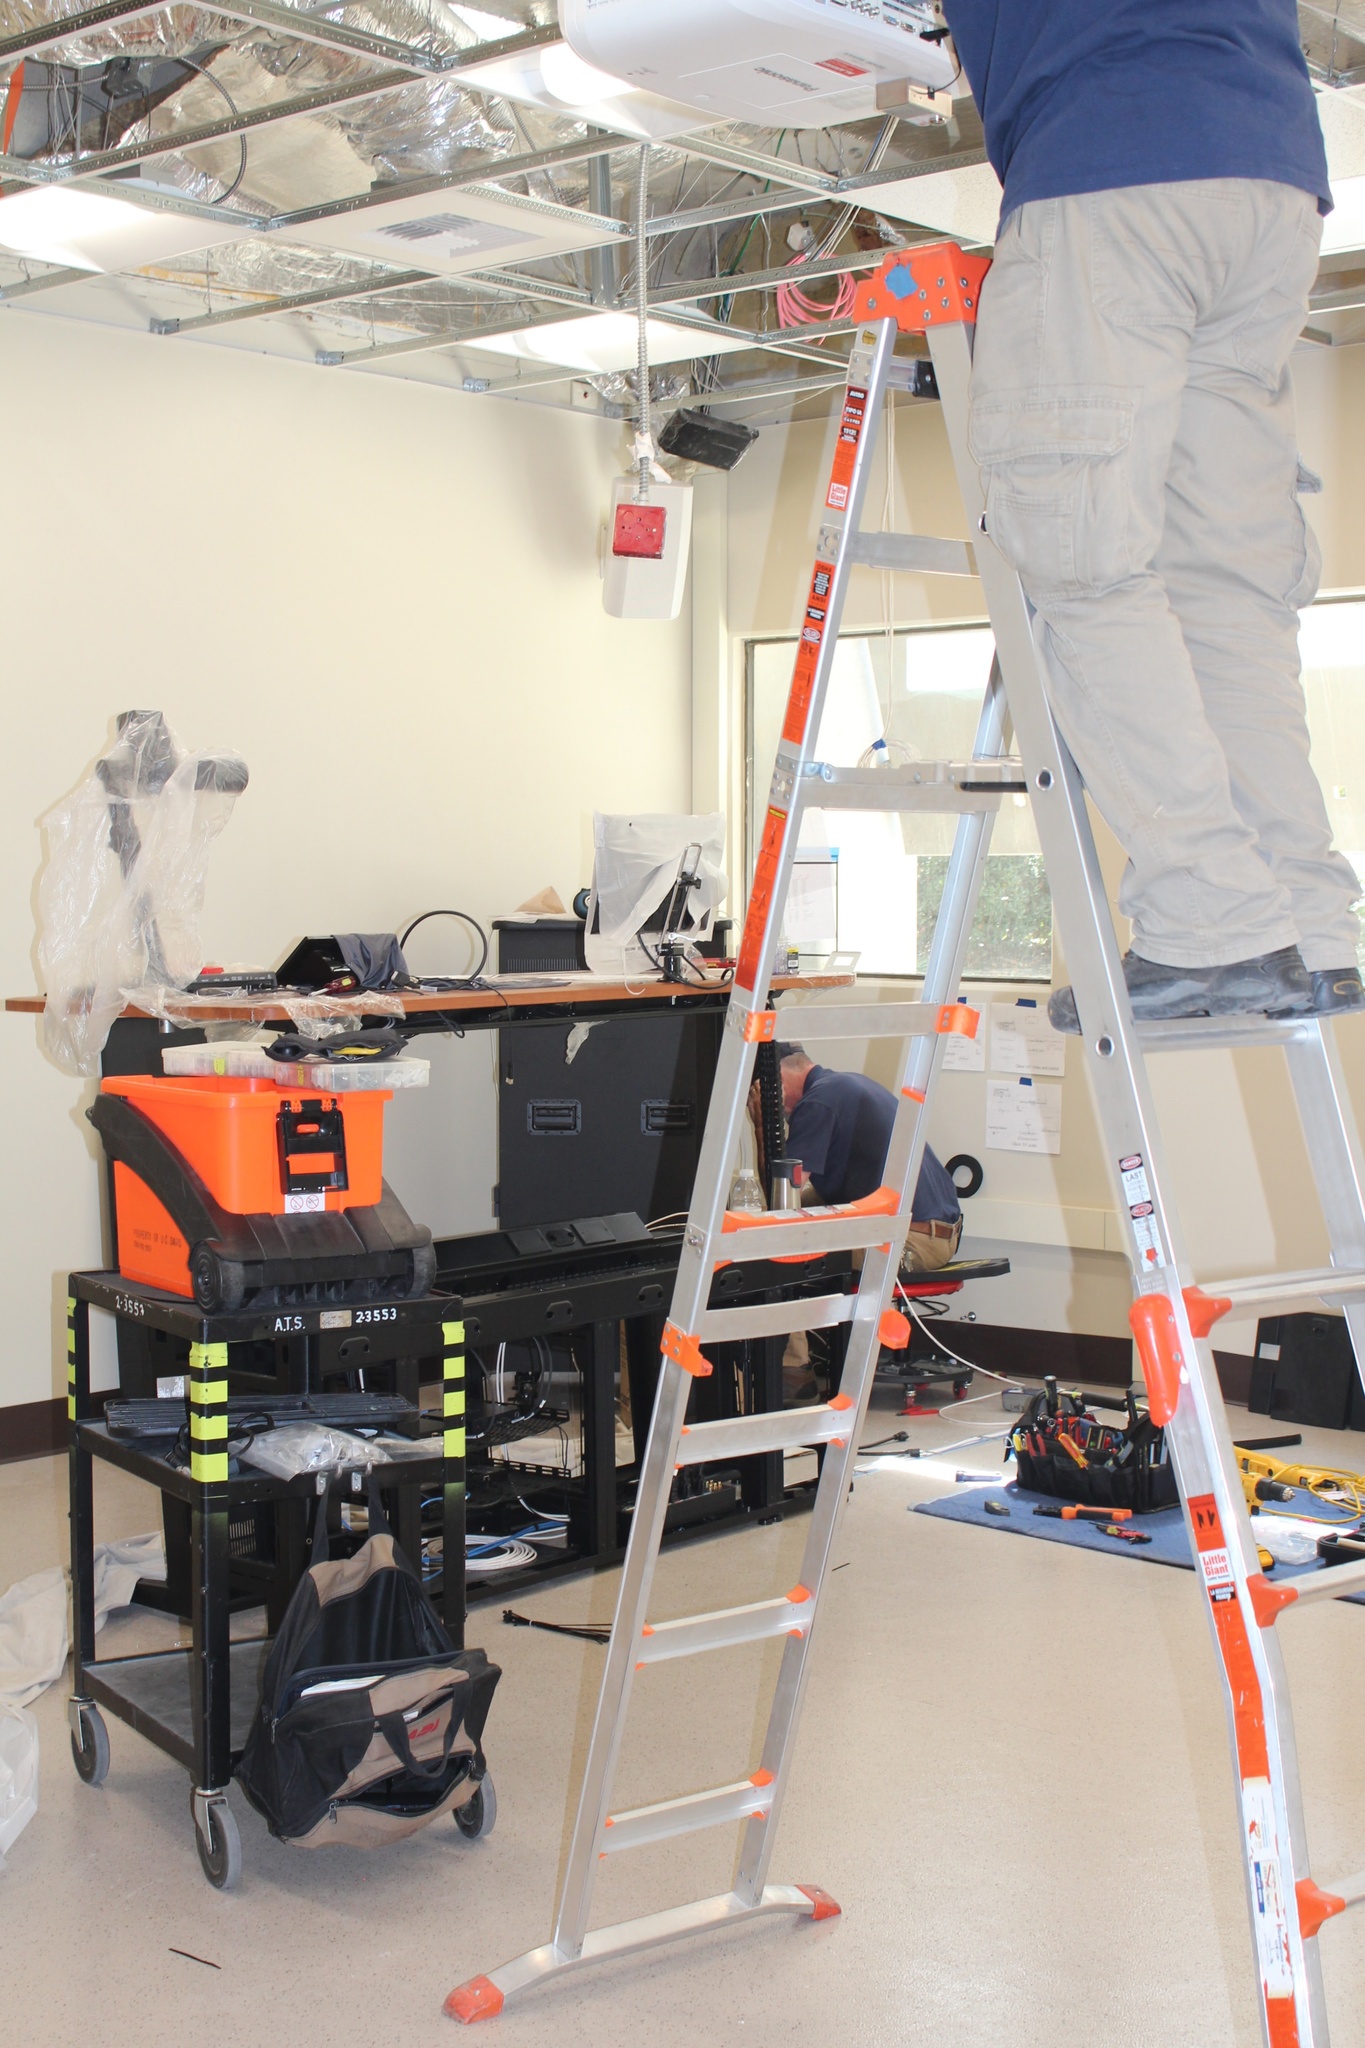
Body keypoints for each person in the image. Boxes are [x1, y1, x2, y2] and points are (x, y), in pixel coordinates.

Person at [942, 2, 1364, 1030]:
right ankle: (1314, 924)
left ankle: (1208, 923)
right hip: (1268, 179)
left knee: (1086, 569)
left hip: (1110, 160)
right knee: (1227, 583)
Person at [775, 1044, 962, 1273]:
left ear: (779, 1081)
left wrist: (762, 1123)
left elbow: (780, 1201)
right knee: (806, 1205)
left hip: (912, 1242)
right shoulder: (843, 1084)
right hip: (937, 1232)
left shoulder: (817, 1102)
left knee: (782, 1256)